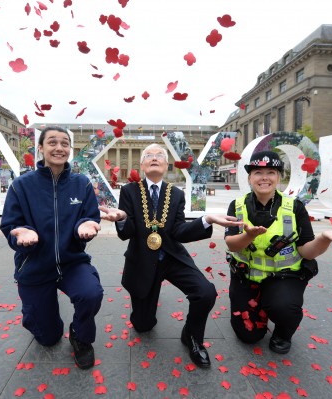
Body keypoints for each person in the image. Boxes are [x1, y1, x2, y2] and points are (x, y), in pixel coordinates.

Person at [100, 143, 241, 368]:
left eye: (160, 155)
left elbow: (178, 231)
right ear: (143, 164)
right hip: (143, 260)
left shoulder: (175, 193)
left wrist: (207, 220)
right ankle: (146, 301)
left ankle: (193, 337)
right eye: (149, 155)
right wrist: (122, 219)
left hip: (171, 257)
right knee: (143, 325)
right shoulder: (129, 191)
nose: (154, 158)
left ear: (166, 165)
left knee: (205, 293)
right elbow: (126, 234)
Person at [224, 151, 332, 354]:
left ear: (279, 177)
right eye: (258, 172)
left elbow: (307, 252)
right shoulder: (236, 206)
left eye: (271, 172)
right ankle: (260, 305)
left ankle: (282, 331)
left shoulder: (295, 207)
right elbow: (232, 245)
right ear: (249, 177)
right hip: (247, 275)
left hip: (284, 276)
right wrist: (249, 236)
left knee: (284, 308)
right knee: (248, 336)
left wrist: (324, 238)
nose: (264, 178)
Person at [0, 126, 103, 370]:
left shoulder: (82, 184)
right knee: (48, 338)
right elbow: (10, 225)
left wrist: (86, 224)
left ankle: (80, 335)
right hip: (35, 264)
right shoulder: (22, 185)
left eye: (65, 143)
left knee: (91, 294)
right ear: (41, 148)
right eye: (53, 142)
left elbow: (90, 217)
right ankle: (45, 320)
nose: (59, 148)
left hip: (72, 261)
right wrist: (21, 234)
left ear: (70, 149)